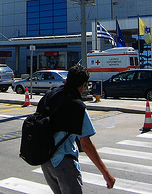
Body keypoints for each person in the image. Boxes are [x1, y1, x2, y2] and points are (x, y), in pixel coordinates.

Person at [39, 65, 115, 193]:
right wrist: (106, 173)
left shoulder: (50, 95)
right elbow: (86, 144)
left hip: (46, 161)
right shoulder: (76, 105)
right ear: (83, 84)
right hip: (63, 163)